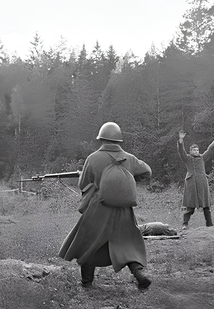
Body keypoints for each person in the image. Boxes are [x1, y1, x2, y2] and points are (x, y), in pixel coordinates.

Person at [59, 121, 153, 289]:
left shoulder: (93, 158)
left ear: (101, 139)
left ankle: (87, 283)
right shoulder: (130, 158)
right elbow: (147, 171)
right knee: (127, 242)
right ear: (119, 140)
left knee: (88, 243)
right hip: (123, 211)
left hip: (98, 209)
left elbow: (83, 184)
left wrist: (87, 178)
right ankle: (139, 273)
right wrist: (128, 180)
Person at [176, 129, 214, 229]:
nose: (196, 151)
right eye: (194, 150)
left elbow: (209, 150)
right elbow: (181, 152)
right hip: (191, 184)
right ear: (191, 151)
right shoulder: (187, 158)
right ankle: (185, 224)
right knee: (190, 207)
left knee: (206, 206)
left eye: (197, 150)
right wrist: (181, 140)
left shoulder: (202, 158)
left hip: (202, 184)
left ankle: (209, 224)